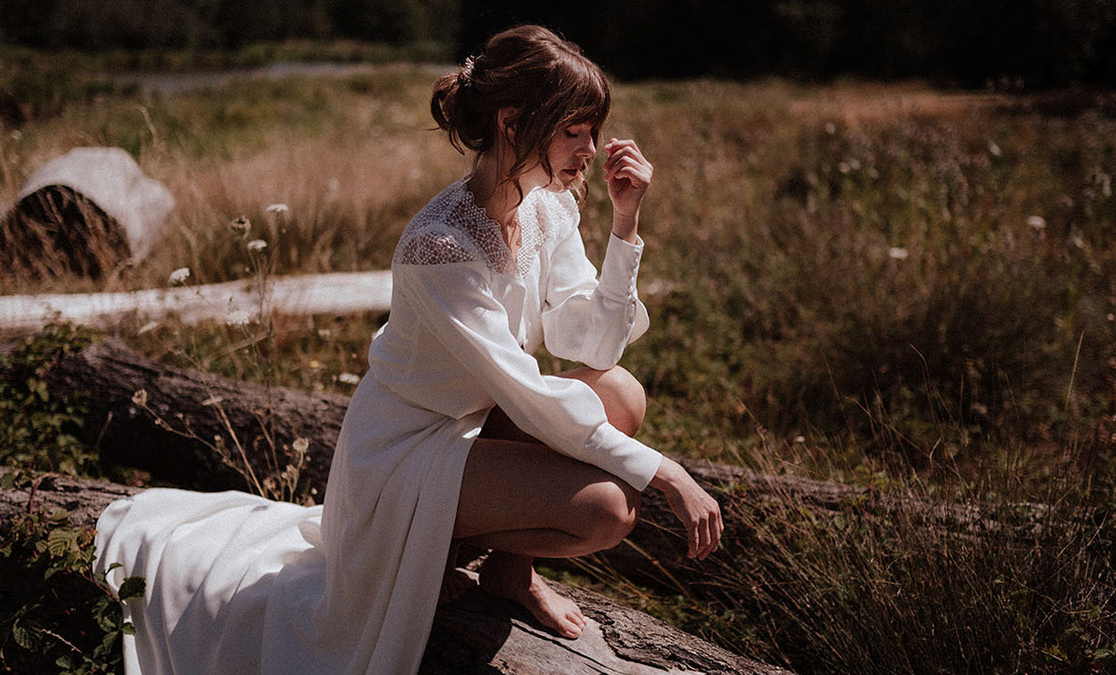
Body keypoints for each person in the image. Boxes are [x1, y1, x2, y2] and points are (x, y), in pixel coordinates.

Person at [94, 24, 723, 675]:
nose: (591, 149)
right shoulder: (441, 249)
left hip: (473, 427)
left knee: (619, 389)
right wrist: (665, 472)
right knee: (611, 507)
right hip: (403, 456)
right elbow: (533, 395)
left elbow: (588, 341)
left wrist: (625, 223)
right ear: (513, 122)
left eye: (593, 130)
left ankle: (509, 570)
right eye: (574, 130)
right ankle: (428, 544)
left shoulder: (547, 209)